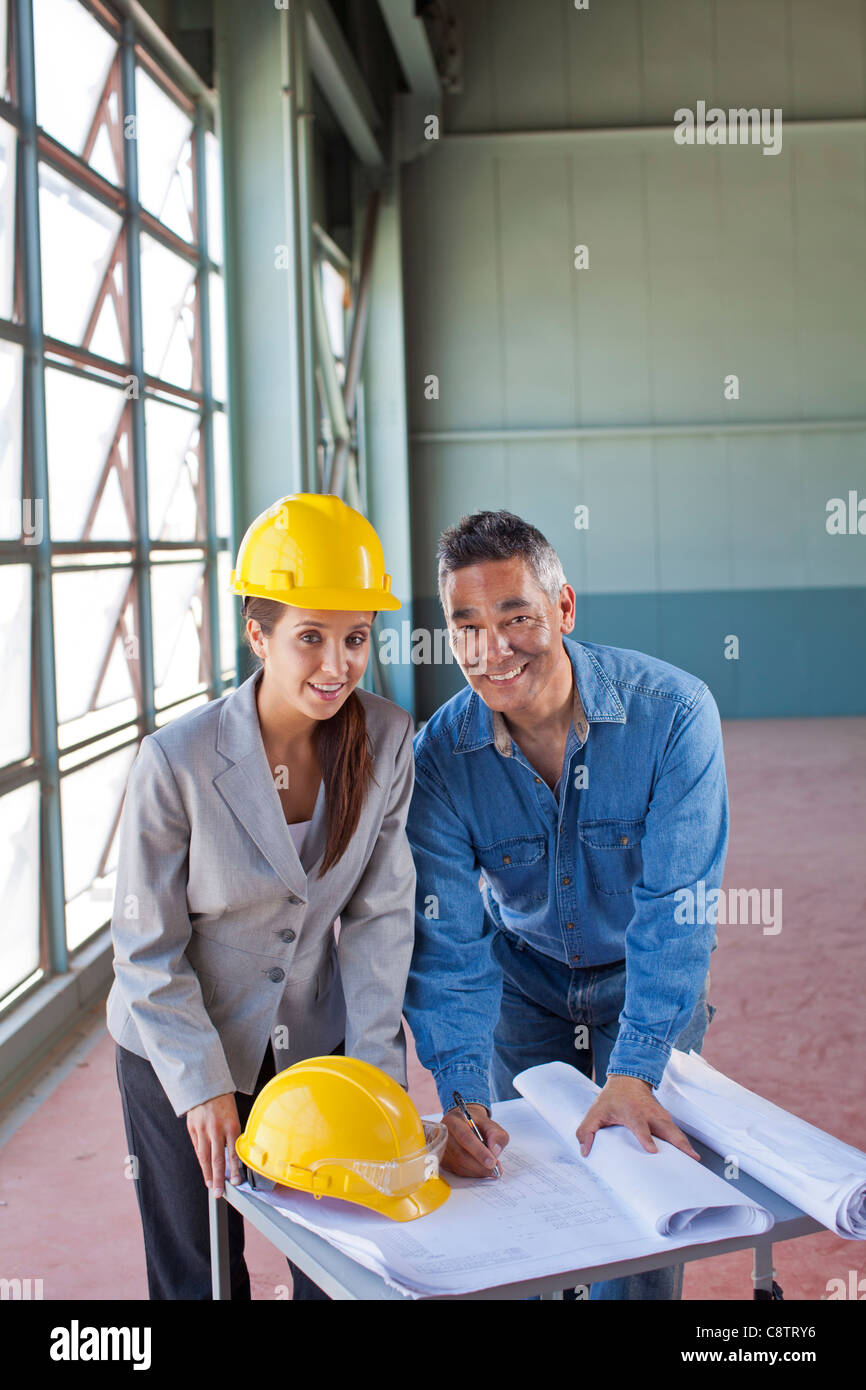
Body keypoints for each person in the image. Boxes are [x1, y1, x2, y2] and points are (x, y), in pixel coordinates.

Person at [403, 509, 729, 1301]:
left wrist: (638, 1067)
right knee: (521, 1187)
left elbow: (675, 911)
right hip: (526, 980)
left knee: (642, 1189)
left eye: (517, 616)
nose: (492, 648)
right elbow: (450, 941)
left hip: (641, 977)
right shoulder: (443, 758)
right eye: (466, 624)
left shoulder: (674, 717)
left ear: (565, 609)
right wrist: (460, 1095)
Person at [108, 493, 417, 1300]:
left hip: (312, 1046)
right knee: (200, 1273)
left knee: (339, 1258)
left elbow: (381, 920)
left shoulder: (386, 738)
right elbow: (146, 948)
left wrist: (378, 1080)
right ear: (258, 634)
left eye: (355, 638)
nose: (335, 665)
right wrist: (202, 1083)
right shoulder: (175, 762)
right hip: (177, 1042)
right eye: (309, 637)